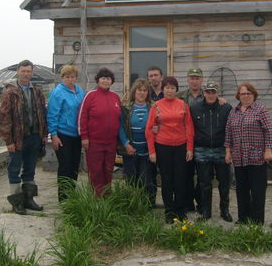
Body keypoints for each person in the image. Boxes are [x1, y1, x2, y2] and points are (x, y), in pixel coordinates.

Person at [0, 60, 47, 215]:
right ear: (17, 72)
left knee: (30, 170)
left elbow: (42, 114)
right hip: (17, 138)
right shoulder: (10, 92)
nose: (26, 74)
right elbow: (4, 117)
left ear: (32, 73)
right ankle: (17, 202)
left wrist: (43, 134)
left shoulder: (37, 92)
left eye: (29, 71)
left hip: (34, 137)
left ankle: (29, 199)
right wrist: (8, 140)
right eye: (23, 71)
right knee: (14, 169)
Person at [145, 76, 194, 223]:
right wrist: (152, 151)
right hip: (163, 146)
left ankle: (180, 209)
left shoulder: (183, 105)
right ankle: (169, 211)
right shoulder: (156, 106)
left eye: (172, 88)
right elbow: (149, 130)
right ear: (163, 89)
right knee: (166, 180)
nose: (169, 90)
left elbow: (189, 127)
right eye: (167, 87)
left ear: (176, 90)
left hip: (181, 146)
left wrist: (190, 148)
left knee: (180, 179)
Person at [224, 82, 272, 225]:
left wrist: (268, 150)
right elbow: (228, 134)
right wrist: (228, 152)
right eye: (242, 94)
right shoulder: (233, 112)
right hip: (239, 158)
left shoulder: (260, 110)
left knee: (258, 190)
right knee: (241, 190)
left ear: (253, 94)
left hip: (257, 157)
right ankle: (243, 218)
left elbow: (268, 131)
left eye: (248, 93)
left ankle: (257, 220)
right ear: (238, 96)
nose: (245, 96)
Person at [190, 82, 233, 222]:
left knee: (224, 182)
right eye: (208, 92)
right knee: (204, 183)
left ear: (217, 93)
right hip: (202, 150)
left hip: (221, 149)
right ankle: (206, 211)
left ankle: (224, 210)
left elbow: (230, 130)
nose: (211, 94)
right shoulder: (195, 108)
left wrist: (229, 150)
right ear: (204, 93)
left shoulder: (226, 108)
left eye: (213, 92)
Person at [78, 67, 121, 197]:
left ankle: (107, 195)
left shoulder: (115, 97)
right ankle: (96, 198)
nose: (105, 81)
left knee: (108, 169)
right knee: (96, 170)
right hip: (94, 142)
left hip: (111, 142)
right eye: (103, 78)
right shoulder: (90, 96)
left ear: (111, 81)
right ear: (97, 80)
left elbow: (120, 118)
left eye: (108, 79)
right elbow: (82, 117)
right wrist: (84, 137)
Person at [46, 65, 86, 201]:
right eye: (67, 77)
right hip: (63, 135)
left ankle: (71, 195)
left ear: (76, 78)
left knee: (74, 166)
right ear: (62, 78)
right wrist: (54, 135)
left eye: (72, 77)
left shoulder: (80, 92)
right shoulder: (58, 93)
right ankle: (63, 198)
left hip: (77, 135)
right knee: (65, 166)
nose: (70, 79)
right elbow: (52, 115)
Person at [118, 78, 157, 206]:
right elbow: (121, 127)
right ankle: (132, 206)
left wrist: (158, 128)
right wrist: (126, 144)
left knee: (146, 180)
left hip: (147, 150)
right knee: (131, 179)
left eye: (145, 90)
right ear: (134, 91)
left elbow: (159, 124)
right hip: (130, 150)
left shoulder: (153, 106)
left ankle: (148, 206)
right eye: (139, 90)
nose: (142, 93)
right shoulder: (126, 107)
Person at [176, 67, 205, 213]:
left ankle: (201, 203)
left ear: (202, 80)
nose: (194, 81)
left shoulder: (208, 95)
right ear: (188, 80)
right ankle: (187, 203)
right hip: (184, 141)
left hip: (201, 140)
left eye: (197, 78)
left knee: (202, 175)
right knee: (186, 174)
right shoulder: (179, 96)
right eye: (192, 78)